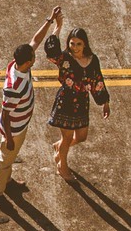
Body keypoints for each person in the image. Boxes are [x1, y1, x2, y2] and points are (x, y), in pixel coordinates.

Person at [0, 6, 63, 199]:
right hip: (13, 129)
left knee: (9, 158)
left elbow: (35, 40)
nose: (34, 55)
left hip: (19, 124)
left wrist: (50, 20)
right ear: (28, 62)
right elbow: (5, 114)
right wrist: (9, 138)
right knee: (4, 159)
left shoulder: (17, 65)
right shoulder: (15, 86)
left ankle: (7, 181)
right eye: (33, 57)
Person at [46, 20, 111, 181]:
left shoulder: (93, 60)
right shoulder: (65, 58)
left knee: (81, 136)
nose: (75, 47)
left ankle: (59, 147)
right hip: (65, 102)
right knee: (67, 138)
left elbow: (98, 80)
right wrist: (58, 27)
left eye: (79, 44)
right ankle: (62, 166)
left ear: (85, 44)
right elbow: (51, 50)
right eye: (72, 43)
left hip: (82, 102)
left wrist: (105, 102)